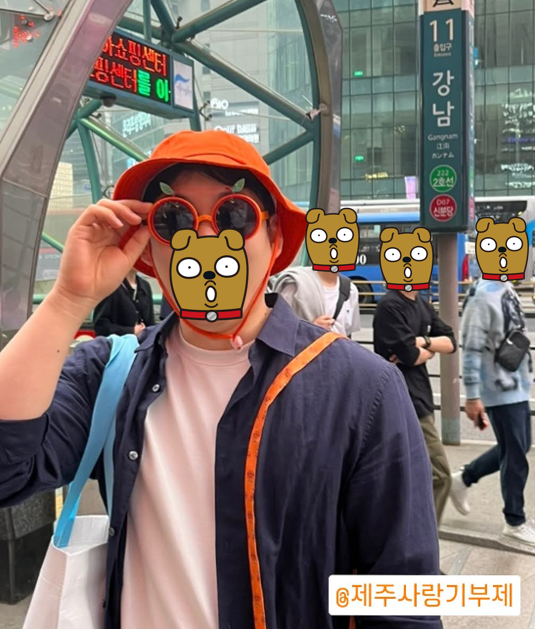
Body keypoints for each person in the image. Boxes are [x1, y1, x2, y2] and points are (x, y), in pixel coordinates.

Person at [0, 131, 441, 629]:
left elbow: (403, 596)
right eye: (174, 220)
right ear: (149, 249)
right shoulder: (109, 373)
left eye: (234, 216)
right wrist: (68, 299)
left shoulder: (362, 389)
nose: (207, 238)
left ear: (275, 239)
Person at [449, 278, 535, 546]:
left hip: (517, 383)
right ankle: (514, 520)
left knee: (517, 447)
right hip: (498, 386)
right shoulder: (482, 295)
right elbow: (471, 347)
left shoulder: (506, 286)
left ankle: (464, 478)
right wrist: (473, 395)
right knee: (515, 454)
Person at [373, 286, 456, 527]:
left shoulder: (421, 304)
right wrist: (426, 348)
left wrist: (423, 342)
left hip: (420, 396)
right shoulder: (390, 306)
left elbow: (451, 342)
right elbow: (410, 355)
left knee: (409, 475)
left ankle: (410, 536)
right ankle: (423, 538)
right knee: (439, 474)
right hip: (402, 397)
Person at [270, 265, 360, 337]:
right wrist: (310, 331)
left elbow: (347, 332)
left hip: (338, 353)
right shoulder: (295, 285)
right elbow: (276, 328)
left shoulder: (350, 290)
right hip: (302, 353)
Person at [93, 268, 155, 337]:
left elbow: (151, 323)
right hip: (117, 342)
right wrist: (131, 331)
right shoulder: (110, 285)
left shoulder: (145, 286)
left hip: (143, 342)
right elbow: (100, 327)